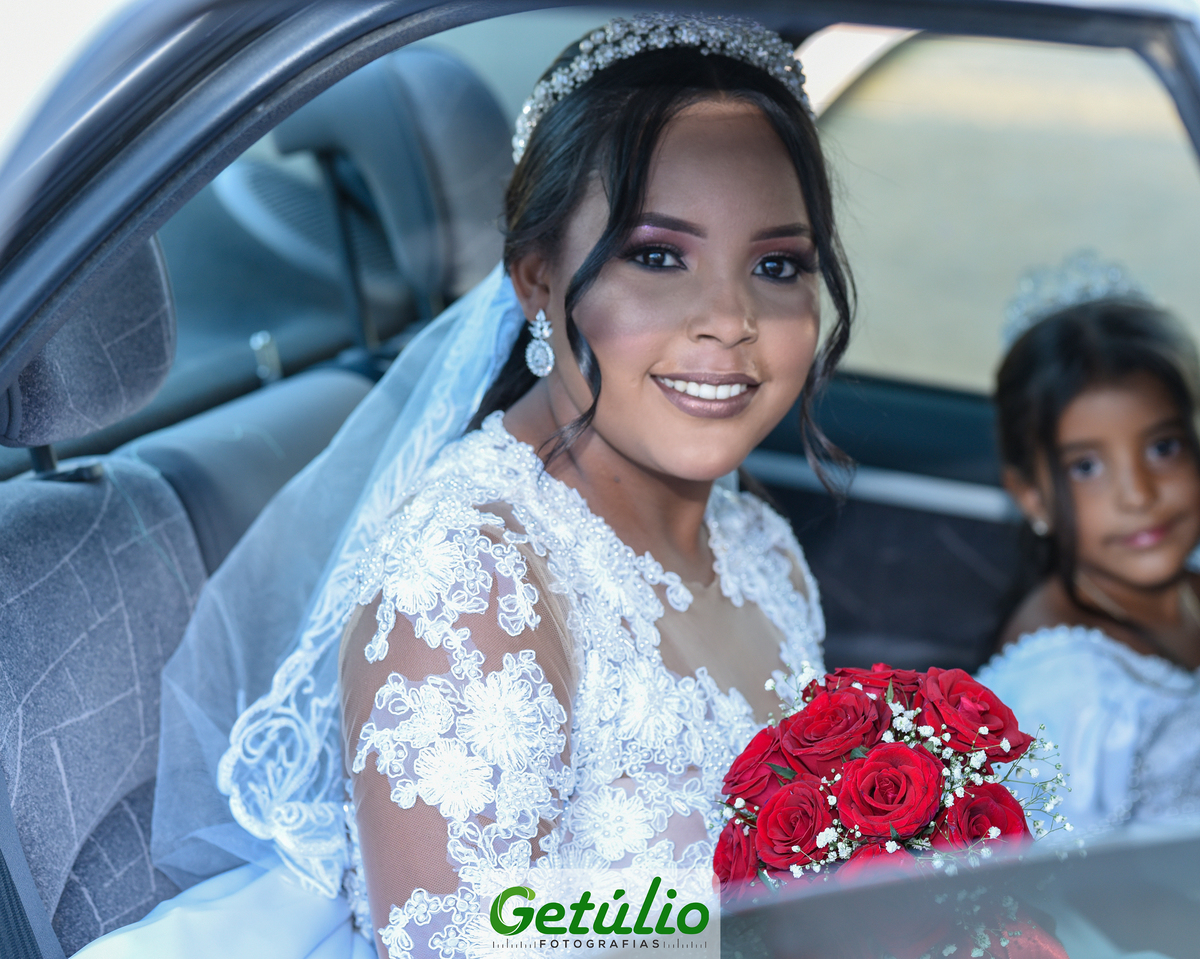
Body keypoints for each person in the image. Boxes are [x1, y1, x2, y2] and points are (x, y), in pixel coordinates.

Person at [77, 15, 853, 959]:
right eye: (657, 255)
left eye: (777, 266)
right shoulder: (471, 583)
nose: (729, 319)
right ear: (535, 280)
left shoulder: (762, 548)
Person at [978, 253, 1200, 842]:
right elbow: (1069, 879)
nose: (1139, 495)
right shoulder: (1070, 690)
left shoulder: (1188, 586)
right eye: (1087, 467)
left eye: (1163, 449)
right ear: (1031, 496)